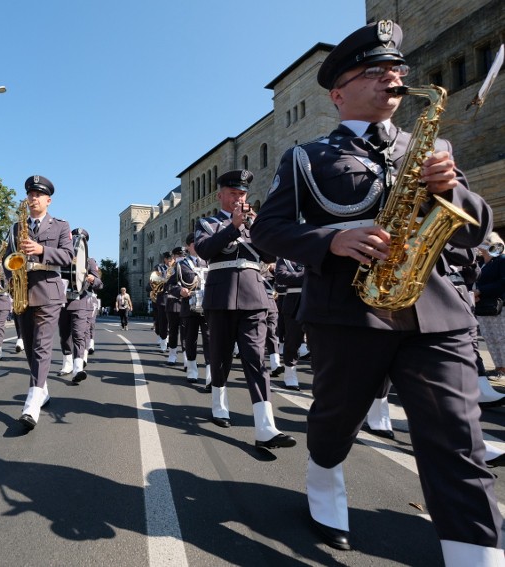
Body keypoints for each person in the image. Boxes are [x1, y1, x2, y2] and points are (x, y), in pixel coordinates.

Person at [250, 20, 501, 563]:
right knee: (336, 416)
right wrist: (333, 239)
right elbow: (266, 232)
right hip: (348, 312)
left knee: (458, 442)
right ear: (339, 93)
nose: (393, 78)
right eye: (376, 71)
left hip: (435, 310)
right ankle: (323, 476)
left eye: (397, 70)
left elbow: (476, 227)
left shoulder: (434, 146)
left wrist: (451, 188)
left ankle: (477, 554)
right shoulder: (305, 157)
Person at [194, 169, 296, 451]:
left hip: (253, 296)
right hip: (221, 295)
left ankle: (265, 427)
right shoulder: (207, 223)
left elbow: (271, 256)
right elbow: (205, 251)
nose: (238, 198)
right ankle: (219, 404)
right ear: (220, 196)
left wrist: (257, 227)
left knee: (255, 358)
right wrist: (233, 227)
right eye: (232, 194)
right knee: (221, 354)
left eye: (242, 194)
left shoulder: (256, 223)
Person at [6, 175, 72, 430]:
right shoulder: (15, 227)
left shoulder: (60, 226)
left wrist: (41, 250)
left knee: (42, 346)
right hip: (23, 291)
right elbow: (10, 257)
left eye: (37, 195)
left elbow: (68, 256)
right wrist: (9, 276)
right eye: (30, 194)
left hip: (49, 291)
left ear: (48, 200)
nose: (33, 198)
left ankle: (31, 404)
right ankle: (42, 389)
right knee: (31, 347)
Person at [56, 228, 102, 383]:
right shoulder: (63, 256)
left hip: (81, 301)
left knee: (79, 334)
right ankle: (67, 364)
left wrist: (91, 279)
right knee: (64, 334)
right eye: (75, 236)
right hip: (63, 301)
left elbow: (99, 283)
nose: (77, 239)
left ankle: (78, 368)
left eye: (81, 238)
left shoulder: (89, 261)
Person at [168, 233, 210, 385]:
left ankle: (211, 375)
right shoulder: (181, 265)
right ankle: (192, 369)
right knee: (190, 340)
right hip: (189, 306)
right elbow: (170, 286)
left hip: (208, 306)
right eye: (194, 243)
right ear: (188, 246)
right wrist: (179, 291)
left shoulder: (210, 261)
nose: (198, 245)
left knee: (210, 339)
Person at [474, 232, 505, 376]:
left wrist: (481, 291)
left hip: (498, 306)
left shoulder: (501, 260)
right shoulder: (479, 263)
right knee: (489, 338)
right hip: (483, 306)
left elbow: (502, 282)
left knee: (502, 338)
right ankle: (499, 367)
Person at [274, 258, 305, 391]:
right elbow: (281, 276)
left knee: (319, 343)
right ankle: (290, 375)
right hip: (293, 303)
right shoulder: (285, 257)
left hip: (315, 302)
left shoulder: (314, 252)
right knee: (292, 341)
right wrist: (307, 276)